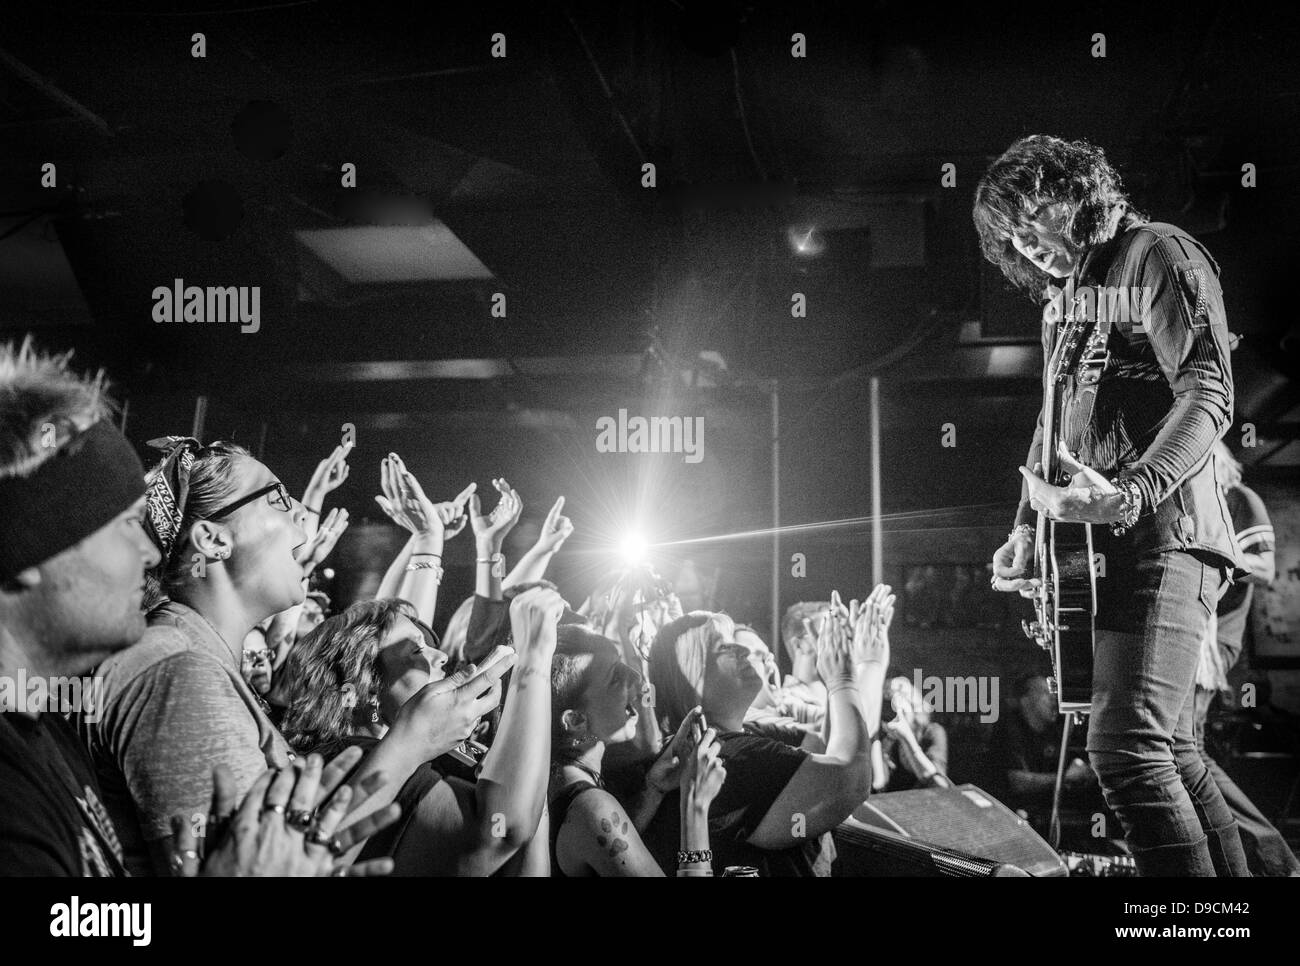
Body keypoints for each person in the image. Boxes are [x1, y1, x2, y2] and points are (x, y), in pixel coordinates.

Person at [0, 340, 398, 878]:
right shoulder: (174, 668)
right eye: (122, 527)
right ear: (27, 545)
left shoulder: (40, 734)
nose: (147, 553)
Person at [979, 135, 1249, 876]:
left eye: (1035, 220)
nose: (1029, 248)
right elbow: (1053, 426)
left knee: (1123, 745)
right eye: (1013, 242)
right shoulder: (1070, 300)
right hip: (1109, 552)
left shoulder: (1158, 253)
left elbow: (1209, 392)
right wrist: (1026, 531)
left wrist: (1130, 492)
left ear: (1082, 188)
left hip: (1167, 535)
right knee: (1171, 750)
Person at [279, 587, 562, 875]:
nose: (440, 655)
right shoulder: (350, 761)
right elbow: (499, 828)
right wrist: (533, 657)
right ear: (362, 690)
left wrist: (518, 782)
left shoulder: (385, 758)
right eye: (417, 650)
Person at [641, 588, 889, 876]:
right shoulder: (721, 754)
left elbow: (824, 747)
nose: (744, 650)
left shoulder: (738, 736)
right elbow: (849, 778)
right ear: (691, 678)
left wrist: (857, 661)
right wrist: (845, 677)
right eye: (724, 647)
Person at [1192, 443, 1298, 876]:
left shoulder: (1239, 498)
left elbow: (1267, 568)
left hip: (1212, 644)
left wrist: (1213, 555)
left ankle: (1273, 858)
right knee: (1184, 754)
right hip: (1199, 637)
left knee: (1187, 753)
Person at [548, 624, 726, 876]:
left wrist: (653, 788)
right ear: (576, 720)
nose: (636, 677)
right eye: (615, 676)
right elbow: (594, 822)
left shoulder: (553, 778)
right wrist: (694, 802)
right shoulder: (592, 808)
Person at [874, 675, 949, 792]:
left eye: (900, 692)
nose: (894, 699)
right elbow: (878, 786)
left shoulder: (932, 732)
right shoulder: (882, 737)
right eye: (888, 695)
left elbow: (939, 785)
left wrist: (906, 737)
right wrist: (882, 748)